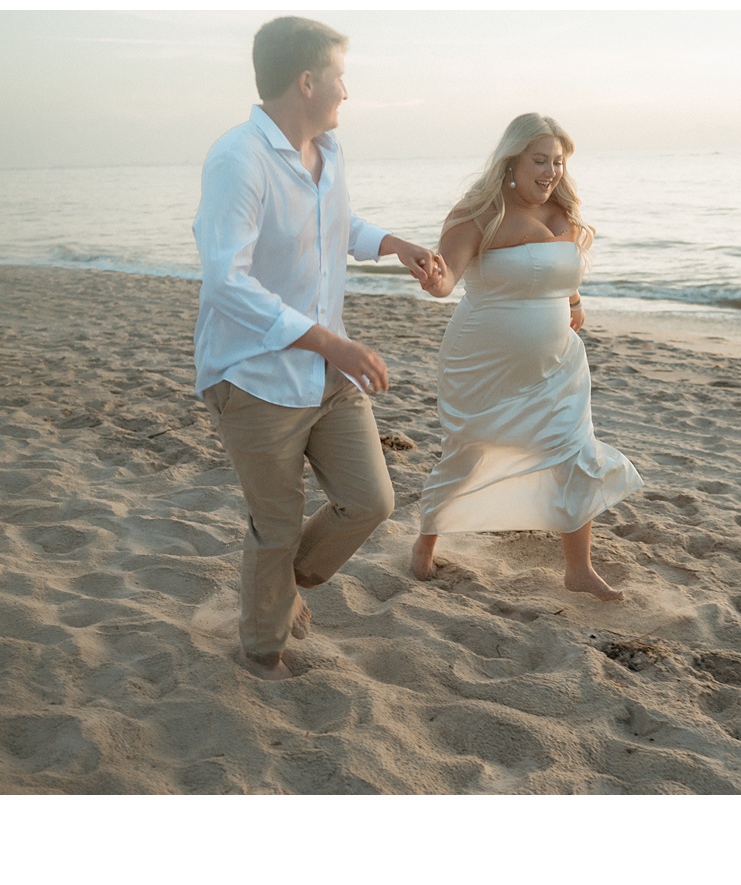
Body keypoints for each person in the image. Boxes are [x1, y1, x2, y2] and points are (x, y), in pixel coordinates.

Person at [193, 17, 444, 680]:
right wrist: (333, 341)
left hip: (324, 374)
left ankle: (276, 589)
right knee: (274, 528)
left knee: (370, 501)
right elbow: (226, 283)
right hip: (252, 377)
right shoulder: (236, 159)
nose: (346, 93)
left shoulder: (330, 154)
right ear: (306, 81)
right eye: (339, 77)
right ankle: (261, 650)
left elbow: (336, 227)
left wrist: (394, 244)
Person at [411, 113, 643, 601]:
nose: (551, 171)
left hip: (556, 364)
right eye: (540, 160)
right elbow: (448, 279)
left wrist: (575, 303)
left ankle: (578, 569)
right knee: (467, 450)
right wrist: (434, 279)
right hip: (482, 362)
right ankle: (425, 543)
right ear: (511, 160)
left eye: (558, 161)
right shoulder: (479, 213)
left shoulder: (564, 212)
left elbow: (565, 275)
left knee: (574, 452)